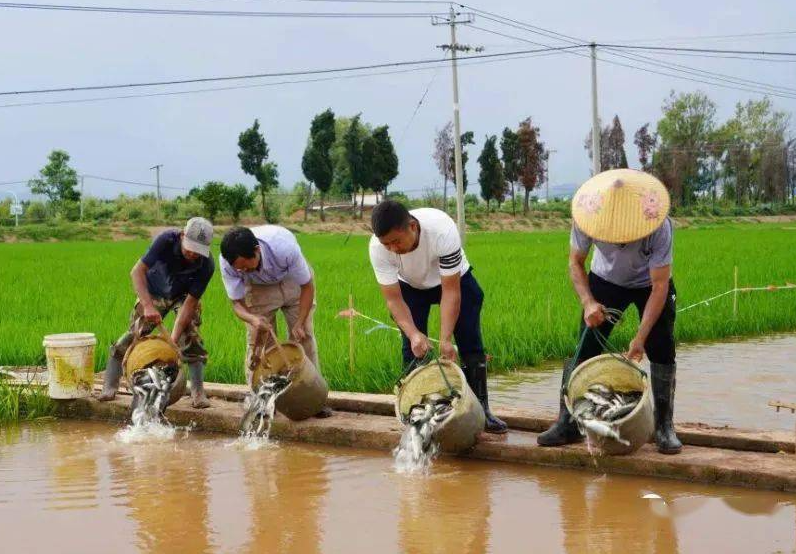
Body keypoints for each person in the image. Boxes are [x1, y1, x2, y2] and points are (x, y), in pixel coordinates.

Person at [537, 169, 681, 454]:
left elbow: (659, 286)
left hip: (647, 284)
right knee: (585, 346)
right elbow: (575, 263)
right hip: (606, 281)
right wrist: (588, 302)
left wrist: (640, 339)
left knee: (661, 346)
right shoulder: (588, 216)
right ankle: (567, 423)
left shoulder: (658, 224)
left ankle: (663, 426)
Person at [368, 201, 507, 434]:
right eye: (386, 244)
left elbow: (451, 291)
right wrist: (413, 334)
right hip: (410, 286)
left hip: (454, 280)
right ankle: (417, 415)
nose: (392, 248)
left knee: (470, 342)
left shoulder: (442, 229)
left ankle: (482, 412)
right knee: (413, 349)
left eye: (396, 241)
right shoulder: (377, 247)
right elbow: (393, 300)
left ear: (412, 226)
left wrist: (445, 339)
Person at [99, 217, 215, 408]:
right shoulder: (166, 240)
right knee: (135, 335)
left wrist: (173, 342)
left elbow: (190, 303)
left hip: (183, 296)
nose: (193, 254)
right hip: (153, 292)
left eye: (198, 251)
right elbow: (136, 272)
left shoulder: (206, 265)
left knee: (192, 336)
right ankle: (109, 385)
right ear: (182, 235)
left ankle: (197, 392)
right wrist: (147, 306)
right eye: (189, 248)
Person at [219, 225, 331, 418]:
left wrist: (300, 322)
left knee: (303, 338)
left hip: (291, 280)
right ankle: (263, 401)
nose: (243, 270)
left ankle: (312, 399)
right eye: (240, 269)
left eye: (246, 266)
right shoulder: (229, 263)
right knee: (261, 345)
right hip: (258, 288)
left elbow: (307, 286)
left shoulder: (284, 247)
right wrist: (253, 319)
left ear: (256, 250)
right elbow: (236, 303)